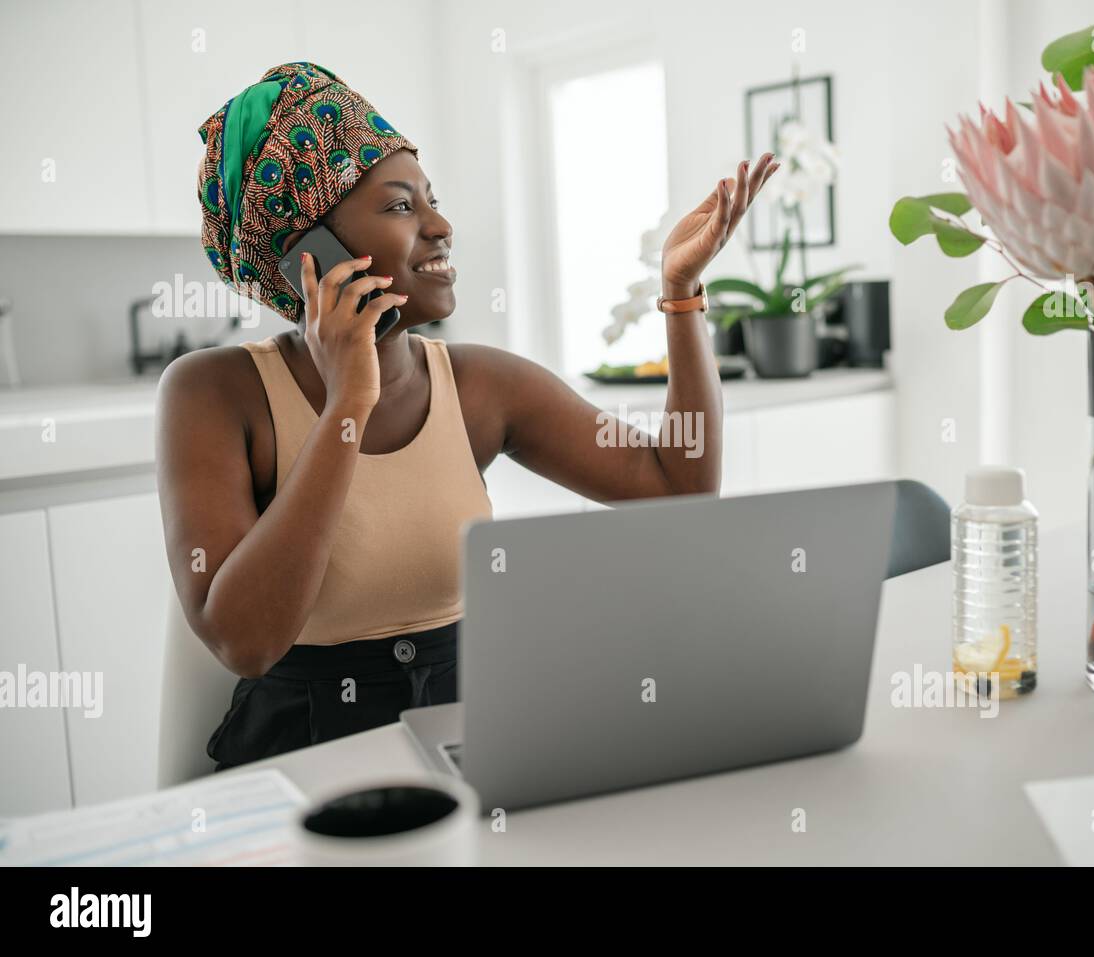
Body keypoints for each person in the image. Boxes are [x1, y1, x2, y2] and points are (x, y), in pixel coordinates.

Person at [156, 61, 777, 769]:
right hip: (300, 764)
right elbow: (247, 639)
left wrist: (681, 291)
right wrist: (347, 404)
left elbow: (679, 487)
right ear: (306, 253)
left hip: (467, 739)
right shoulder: (211, 393)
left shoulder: (479, 384)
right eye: (399, 207)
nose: (441, 226)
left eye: (432, 200)